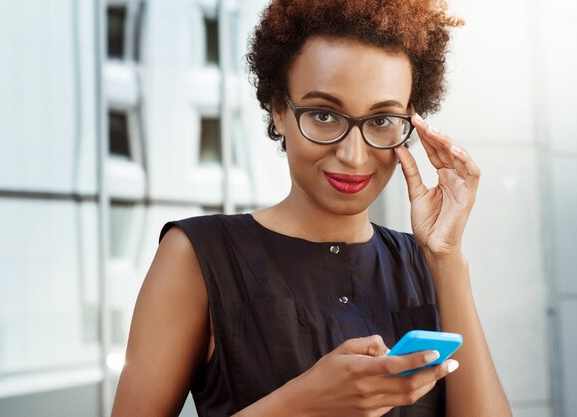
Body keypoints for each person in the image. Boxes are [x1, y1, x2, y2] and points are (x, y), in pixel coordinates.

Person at [111, 0, 512, 416]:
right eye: (324, 114)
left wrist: (446, 257)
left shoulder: (424, 263)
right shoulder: (198, 254)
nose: (354, 156)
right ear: (278, 110)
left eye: (381, 121)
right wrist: (301, 404)